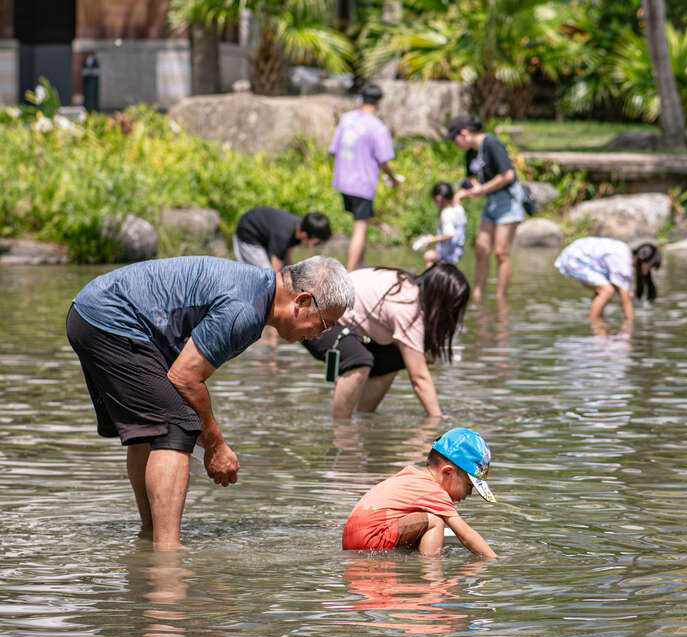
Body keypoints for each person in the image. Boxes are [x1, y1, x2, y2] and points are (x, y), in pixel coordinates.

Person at [66, 255, 354, 550]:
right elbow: (185, 377)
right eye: (325, 323)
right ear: (303, 301)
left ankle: (150, 535)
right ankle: (167, 551)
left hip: (93, 312)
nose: (320, 334)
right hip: (111, 320)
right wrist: (216, 446)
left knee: (151, 428)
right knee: (175, 426)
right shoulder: (246, 310)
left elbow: (183, 376)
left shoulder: (257, 293)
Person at [303, 263, 470, 419]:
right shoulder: (407, 307)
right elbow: (419, 377)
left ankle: (363, 418)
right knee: (358, 360)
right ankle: (341, 429)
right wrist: (437, 420)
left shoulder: (408, 288)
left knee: (393, 360)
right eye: (451, 306)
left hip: (342, 320)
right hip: (316, 314)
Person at [342, 427, 496, 558]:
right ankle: (431, 574)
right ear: (447, 473)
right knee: (435, 522)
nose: (468, 494)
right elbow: (467, 536)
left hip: (351, 536)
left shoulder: (411, 476)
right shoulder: (435, 492)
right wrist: (494, 558)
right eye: (469, 486)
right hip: (370, 537)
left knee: (424, 522)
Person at [446, 114, 526, 301]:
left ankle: (500, 299)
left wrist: (481, 189)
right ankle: (477, 296)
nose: (455, 143)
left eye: (455, 139)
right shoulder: (470, 153)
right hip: (491, 201)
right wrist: (465, 191)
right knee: (481, 248)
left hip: (508, 202)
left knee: (501, 252)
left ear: (464, 134)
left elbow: (507, 175)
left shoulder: (492, 144)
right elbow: (471, 178)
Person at [329, 82, 402, 272]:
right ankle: (350, 274)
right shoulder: (377, 127)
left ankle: (361, 266)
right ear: (378, 102)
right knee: (360, 227)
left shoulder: (346, 119)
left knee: (360, 224)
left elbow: (334, 150)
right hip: (362, 183)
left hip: (343, 181)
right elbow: (383, 160)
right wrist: (394, 179)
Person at [554, 237, 662, 324]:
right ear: (642, 258)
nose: (648, 272)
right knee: (606, 291)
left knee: (605, 291)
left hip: (575, 253)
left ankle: (598, 320)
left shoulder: (624, 251)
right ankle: (595, 325)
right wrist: (630, 327)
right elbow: (625, 302)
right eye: (650, 267)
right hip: (575, 258)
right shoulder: (624, 261)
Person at [234, 205, 332, 271]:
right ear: (305, 235)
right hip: (248, 233)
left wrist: (292, 272)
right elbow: (274, 269)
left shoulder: (300, 227)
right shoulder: (283, 236)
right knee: (266, 274)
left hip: (264, 233)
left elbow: (286, 255)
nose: (314, 245)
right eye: (315, 242)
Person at [416, 181, 467, 268]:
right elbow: (458, 199)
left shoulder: (446, 214)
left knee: (429, 256)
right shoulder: (459, 209)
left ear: (438, 199)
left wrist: (431, 240)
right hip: (458, 252)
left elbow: (450, 234)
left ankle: (430, 280)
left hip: (449, 254)